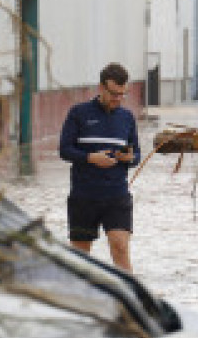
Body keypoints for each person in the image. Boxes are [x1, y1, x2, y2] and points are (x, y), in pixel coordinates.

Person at [59, 63, 140, 273]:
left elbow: (136, 156)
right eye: (114, 93)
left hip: (117, 195)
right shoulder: (78, 113)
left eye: (122, 94)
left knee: (120, 247)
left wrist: (129, 158)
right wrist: (90, 158)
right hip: (84, 196)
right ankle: (78, 301)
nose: (118, 99)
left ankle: (129, 301)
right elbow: (64, 150)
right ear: (101, 88)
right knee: (80, 255)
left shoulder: (127, 118)